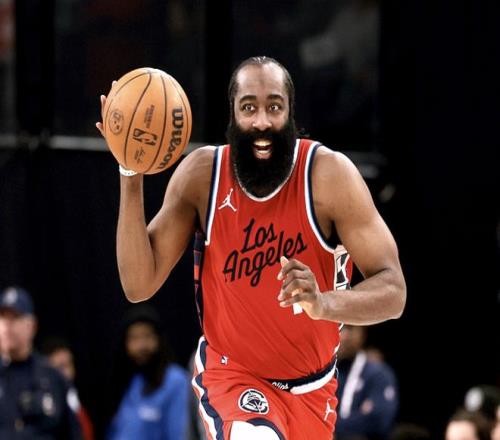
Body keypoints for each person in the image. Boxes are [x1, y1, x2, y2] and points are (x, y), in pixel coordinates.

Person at [96, 55, 406, 439]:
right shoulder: (202, 177)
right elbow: (138, 284)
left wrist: (323, 303)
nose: (261, 121)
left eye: (274, 107)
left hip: (314, 391)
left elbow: (394, 291)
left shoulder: (329, 177)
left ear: (290, 113)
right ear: (232, 113)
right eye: (248, 108)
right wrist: (130, 171)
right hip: (232, 376)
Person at [0, 286, 83, 439]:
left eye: (15, 317)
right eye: (3, 317)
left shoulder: (54, 377)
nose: (7, 325)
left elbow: (75, 432)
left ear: (32, 326)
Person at [106, 304, 191, 440]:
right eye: (134, 338)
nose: (141, 346)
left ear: (159, 339)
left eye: (147, 336)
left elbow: (180, 435)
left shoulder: (176, 381)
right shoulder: (129, 380)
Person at [335, 325, 399, 440]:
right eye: (340, 328)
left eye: (350, 328)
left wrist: (333, 427)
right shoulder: (327, 374)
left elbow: (379, 419)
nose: (344, 335)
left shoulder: (378, 373)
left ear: (363, 333)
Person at [41, 337, 95, 440]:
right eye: (60, 367)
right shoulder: (42, 408)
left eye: (69, 364)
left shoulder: (74, 401)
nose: (68, 373)